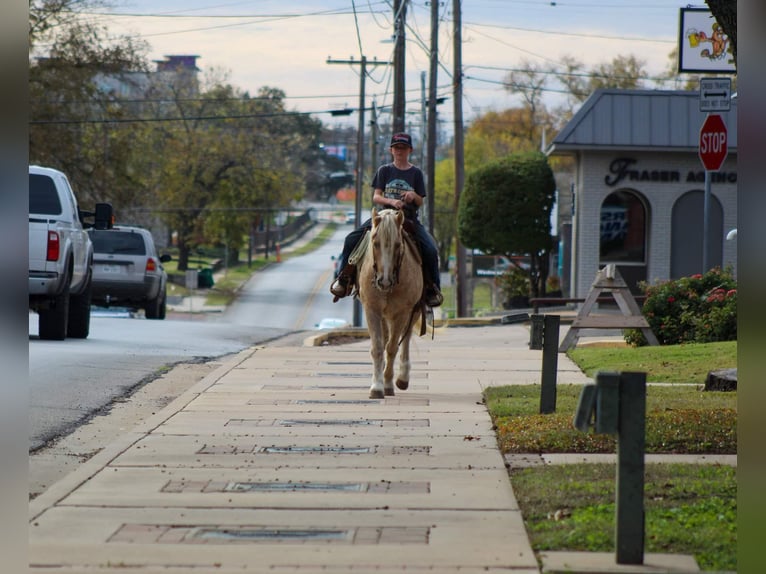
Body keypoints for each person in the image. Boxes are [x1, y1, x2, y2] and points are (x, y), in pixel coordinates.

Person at [330, 132, 443, 308]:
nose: (400, 151)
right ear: (391, 150)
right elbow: (376, 196)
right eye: (397, 148)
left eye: (403, 148)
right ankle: (344, 279)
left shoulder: (416, 173)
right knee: (351, 239)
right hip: (382, 219)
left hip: (407, 219)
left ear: (410, 150)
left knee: (430, 248)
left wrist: (413, 196)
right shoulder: (384, 170)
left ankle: (432, 288)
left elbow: (421, 200)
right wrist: (391, 201)